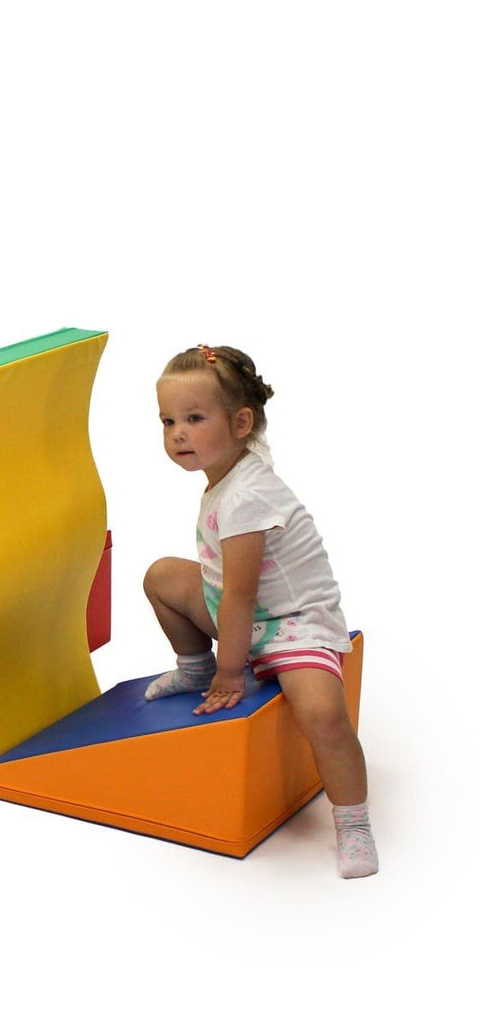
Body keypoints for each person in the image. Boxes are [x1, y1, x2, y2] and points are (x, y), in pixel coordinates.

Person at [143, 344, 378, 879]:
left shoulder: (248, 495)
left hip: (294, 625)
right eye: (168, 421)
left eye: (194, 419)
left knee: (322, 715)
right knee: (161, 576)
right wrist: (217, 664)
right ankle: (194, 666)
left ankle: (355, 822)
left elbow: (242, 596)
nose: (177, 433)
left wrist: (233, 674)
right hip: (247, 612)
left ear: (241, 422)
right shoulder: (227, 475)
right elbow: (225, 589)